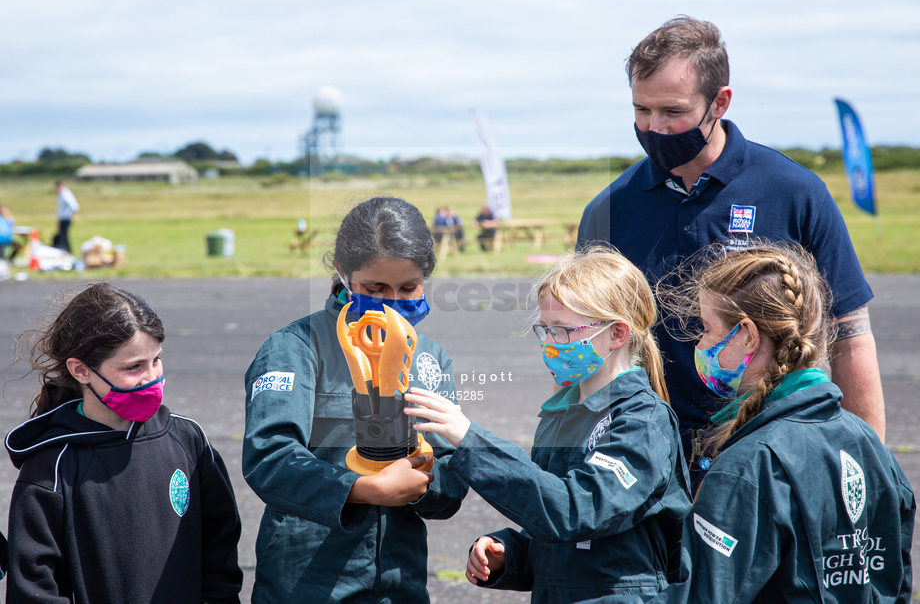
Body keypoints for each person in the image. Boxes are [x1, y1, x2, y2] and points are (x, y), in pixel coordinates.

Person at [576, 16, 885, 490]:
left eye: (672, 112)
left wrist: (866, 467)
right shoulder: (609, 211)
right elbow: (584, 348)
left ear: (719, 102)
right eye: (641, 110)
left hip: (775, 462)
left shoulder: (793, 192)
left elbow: (850, 336)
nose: (654, 128)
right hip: (646, 466)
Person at [404, 245, 691, 602]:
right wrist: (511, 553)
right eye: (546, 330)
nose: (551, 344)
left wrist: (469, 439)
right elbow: (557, 528)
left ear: (618, 334)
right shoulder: (563, 413)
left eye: (565, 331)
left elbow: (577, 512)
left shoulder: (642, 421)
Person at [647, 242, 914, 602]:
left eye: (708, 328)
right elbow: (896, 581)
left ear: (746, 335)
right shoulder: (869, 443)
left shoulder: (748, 465)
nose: (701, 342)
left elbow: (703, 595)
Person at [242, 195, 468, 602]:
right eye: (375, 287)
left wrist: (422, 484)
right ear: (342, 273)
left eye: (409, 287)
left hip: (400, 583)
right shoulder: (295, 348)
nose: (392, 301)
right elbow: (269, 458)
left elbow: (451, 479)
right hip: (308, 583)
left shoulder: (431, 357)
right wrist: (363, 488)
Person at [4, 282, 243, 603]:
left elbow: (220, 554)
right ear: (81, 371)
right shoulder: (51, 468)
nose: (151, 377)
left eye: (156, 360)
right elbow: (34, 587)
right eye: (133, 367)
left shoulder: (188, 441)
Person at [53, 179, 80, 253]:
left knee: (63, 237)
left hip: (65, 218)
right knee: (63, 236)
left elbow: (74, 206)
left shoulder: (65, 194)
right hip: (63, 218)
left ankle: (67, 251)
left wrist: (70, 214)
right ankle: (67, 251)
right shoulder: (64, 193)